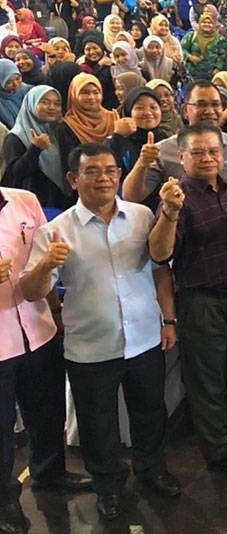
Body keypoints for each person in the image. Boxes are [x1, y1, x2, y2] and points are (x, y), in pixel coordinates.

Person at [20, 143, 182, 521]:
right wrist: (45, 266)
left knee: (150, 413)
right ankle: (109, 488)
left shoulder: (142, 216)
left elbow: (161, 265)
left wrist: (169, 319)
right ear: (74, 179)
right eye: (92, 171)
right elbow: (30, 292)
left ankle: (152, 471)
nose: (104, 178)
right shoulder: (55, 231)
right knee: (98, 425)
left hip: (143, 337)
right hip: (90, 347)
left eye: (110, 170)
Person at [147, 123, 227, 472]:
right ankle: (218, 451)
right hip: (202, 302)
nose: (207, 158)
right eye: (198, 152)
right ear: (182, 157)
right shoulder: (176, 197)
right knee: (208, 381)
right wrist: (169, 214)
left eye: (213, 151)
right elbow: (159, 255)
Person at [0, 186, 93, 534]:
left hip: (38, 328)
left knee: (46, 409)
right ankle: (4, 500)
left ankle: (50, 472)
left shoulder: (25, 200)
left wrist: (56, 311)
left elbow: (45, 260)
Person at [121, 80, 227, 206]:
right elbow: (131, 197)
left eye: (216, 104)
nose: (210, 111)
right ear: (185, 110)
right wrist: (142, 164)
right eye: (201, 105)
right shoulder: (164, 150)